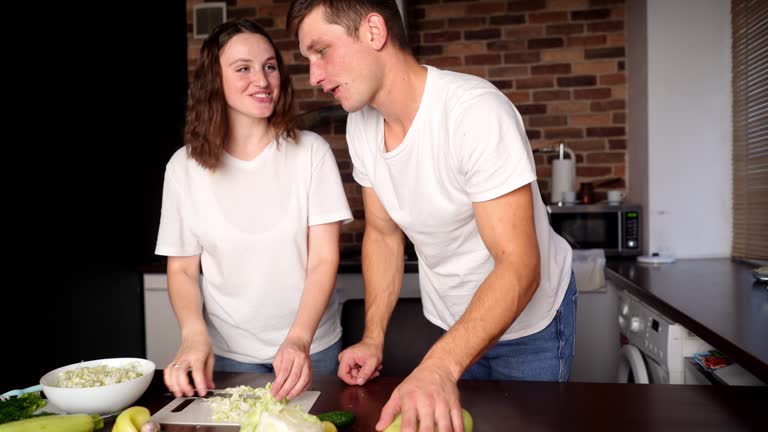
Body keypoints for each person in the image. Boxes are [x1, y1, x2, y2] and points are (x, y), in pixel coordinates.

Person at [287, 1, 576, 431]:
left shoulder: (474, 112)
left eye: (321, 50)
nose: (314, 77)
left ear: (373, 31)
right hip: (451, 321)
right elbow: (384, 236)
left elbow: (520, 265)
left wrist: (438, 366)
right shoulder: (362, 126)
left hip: (529, 323)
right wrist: (373, 337)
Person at [155, 18, 352, 402]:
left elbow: (323, 260)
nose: (262, 80)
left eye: (270, 66)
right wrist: (194, 335)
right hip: (227, 356)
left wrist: (298, 339)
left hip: (313, 349)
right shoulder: (183, 168)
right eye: (243, 68)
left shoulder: (311, 152)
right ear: (215, 79)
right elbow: (181, 268)